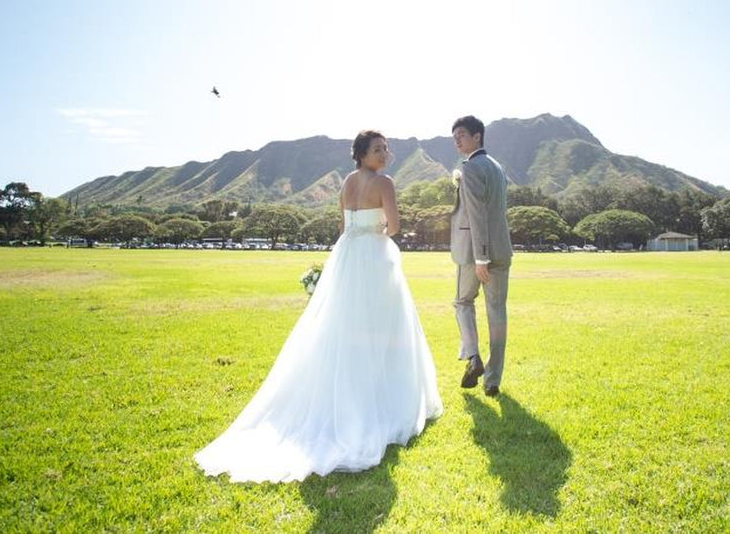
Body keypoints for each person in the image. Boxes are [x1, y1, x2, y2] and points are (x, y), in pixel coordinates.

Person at [195, 130, 442, 483]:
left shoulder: (346, 183)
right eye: (378, 149)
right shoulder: (384, 183)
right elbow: (395, 226)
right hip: (373, 257)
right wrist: (378, 233)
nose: (385, 153)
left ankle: (350, 395)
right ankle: (383, 404)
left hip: (346, 256)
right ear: (361, 153)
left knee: (343, 327)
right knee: (384, 328)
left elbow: (344, 225)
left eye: (386, 148)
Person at [449, 115, 513, 398]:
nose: (457, 140)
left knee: (462, 302)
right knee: (497, 312)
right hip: (503, 249)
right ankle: (493, 379)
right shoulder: (498, 168)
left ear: (478, 136)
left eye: (461, 134)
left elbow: (477, 214)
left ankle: (474, 358)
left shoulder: (472, 167)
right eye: (455, 136)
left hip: (476, 253)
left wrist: (481, 257)